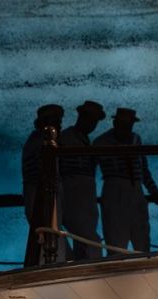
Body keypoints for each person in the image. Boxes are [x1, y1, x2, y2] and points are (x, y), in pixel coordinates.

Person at [94, 107, 158, 254]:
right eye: (124, 124)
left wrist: (154, 192)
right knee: (116, 242)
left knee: (141, 238)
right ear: (115, 123)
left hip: (135, 192)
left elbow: (143, 170)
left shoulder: (135, 140)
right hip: (115, 192)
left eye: (128, 125)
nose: (126, 128)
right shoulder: (101, 142)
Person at [59, 101, 106, 260]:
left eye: (95, 121)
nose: (92, 124)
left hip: (86, 198)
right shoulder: (66, 138)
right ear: (81, 117)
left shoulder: (84, 140)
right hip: (73, 196)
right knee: (89, 239)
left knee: (84, 240)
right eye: (91, 119)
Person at [22, 104, 64, 224]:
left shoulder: (33, 140)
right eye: (57, 122)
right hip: (42, 193)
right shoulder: (41, 142)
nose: (60, 126)